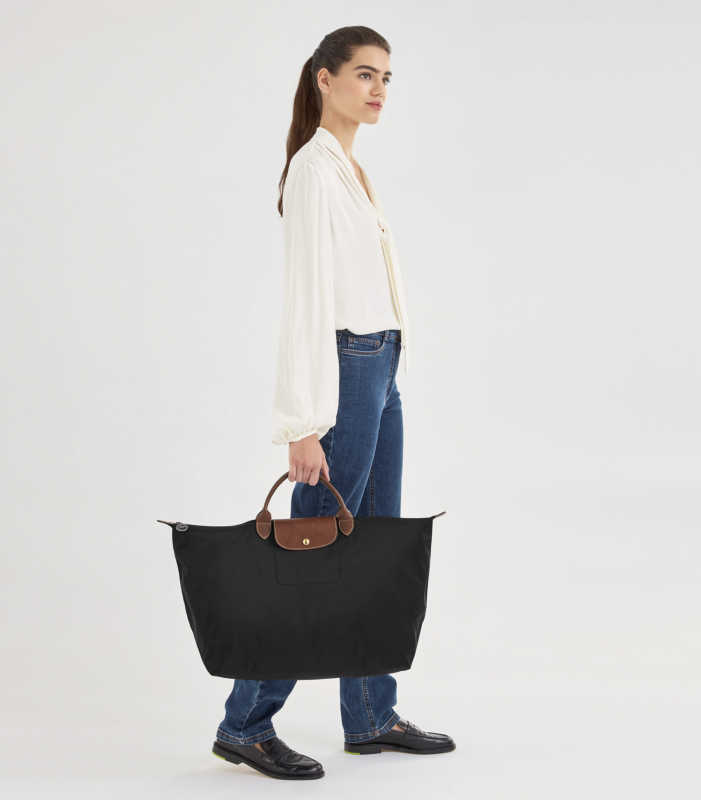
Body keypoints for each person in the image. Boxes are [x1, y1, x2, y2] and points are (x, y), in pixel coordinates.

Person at [211, 26, 456, 780]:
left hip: (381, 368)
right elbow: (306, 302)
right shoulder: (314, 170)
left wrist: (386, 372)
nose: (378, 89)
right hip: (346, 372)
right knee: (312, 552)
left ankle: (371, 714)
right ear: (325, 79)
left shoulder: (349, 168)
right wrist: (302, 423)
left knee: (375, 545)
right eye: (364, 74)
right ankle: (245, 723)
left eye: (386, 78)